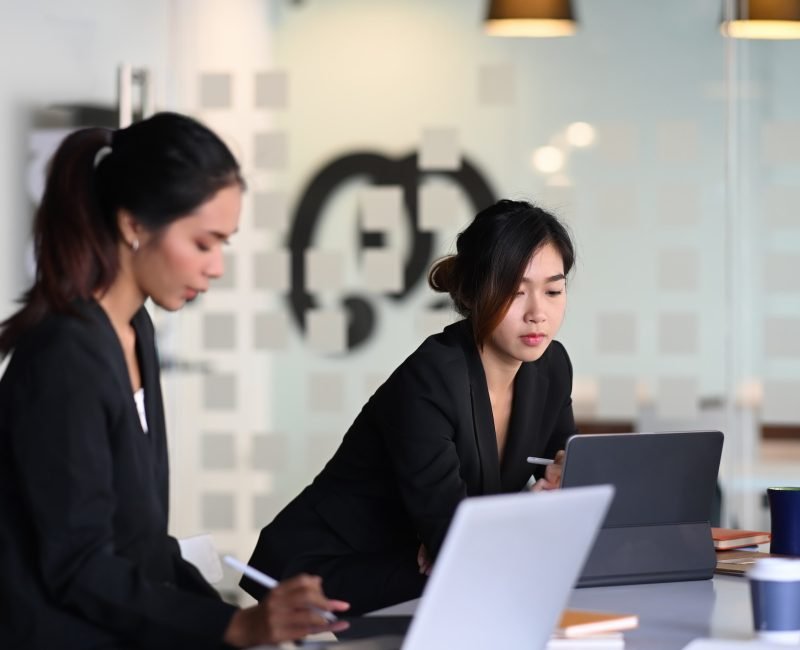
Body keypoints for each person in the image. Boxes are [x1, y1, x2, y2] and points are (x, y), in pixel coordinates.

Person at [0, 112, 349, 650]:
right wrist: (232, 626)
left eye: (223, 245)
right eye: (204, 243)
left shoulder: (134, 330)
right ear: (135, 224)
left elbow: (140, 546)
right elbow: (80, 566)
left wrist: (242, 616)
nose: (216, 268)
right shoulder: (64, 357)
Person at [243, 199, 576, 615]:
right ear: (473, 293)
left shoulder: (553, 367)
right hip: (332, 565)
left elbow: (567, 483)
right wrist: (506, 520)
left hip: (427, 566)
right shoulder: (432, 377)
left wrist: (539, 501)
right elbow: (457, 538)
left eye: (553, 290)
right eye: (514, 291)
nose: (537, 313)